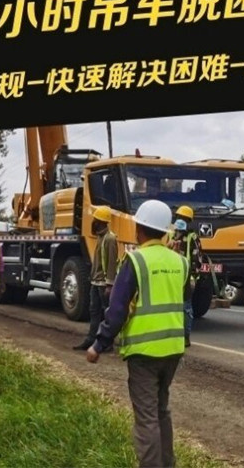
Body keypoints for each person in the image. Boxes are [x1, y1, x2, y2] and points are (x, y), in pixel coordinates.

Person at [87, 200, 187, 468]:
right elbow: (184, 297)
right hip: (173, 349)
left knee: (146, 418)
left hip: (144, 351)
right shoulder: (180, 262)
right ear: (164, 231)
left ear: (139, 229)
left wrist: (99, 344)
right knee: (161, 410)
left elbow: (117, 309)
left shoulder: (135, 260)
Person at [73, 205, 119, 350]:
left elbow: (111, 262)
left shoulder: (110, 239)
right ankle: (91, 339)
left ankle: (107, 342)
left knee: (106, 313)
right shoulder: (100, 237)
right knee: (94, 311)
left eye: (95, 220)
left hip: (103, 283)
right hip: (96, 281)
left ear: (100, 222)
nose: (93, 222)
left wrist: (109, 284)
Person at [167, 205, 203, 347]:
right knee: (173, 307)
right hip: (172, 274)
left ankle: (185, 337)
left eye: (184, 219)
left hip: (186, 276)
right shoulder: (171, 235)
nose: (181, 220)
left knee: (186, 308)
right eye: (180, 218)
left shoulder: (192, 237)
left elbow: (197, 259)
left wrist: (193, 277)